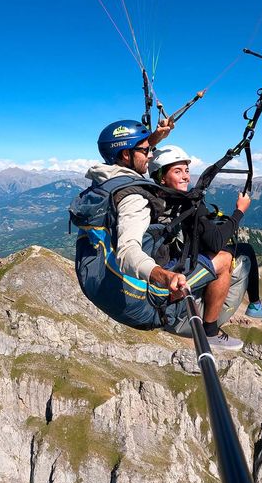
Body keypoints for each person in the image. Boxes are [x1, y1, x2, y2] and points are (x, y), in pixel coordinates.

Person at [83, 119, 242, 350]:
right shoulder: (132, 199)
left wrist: (156, 137)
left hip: (97, 279)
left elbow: (131, 160)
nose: (150, 154)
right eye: (146, 150)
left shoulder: (107, 177)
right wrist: (163, 276)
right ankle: (210, 331)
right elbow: (127, 253)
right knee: (225, 259)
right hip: (144, 294)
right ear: (126, 154)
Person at [149, 145, 262, 321]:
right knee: (232, 255)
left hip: (160, 266)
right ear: (162, 177)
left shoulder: (155, 198)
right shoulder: (189, 204)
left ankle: (255, 304)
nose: (186, 176)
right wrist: (239, 211)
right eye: (177, 171)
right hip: (172, 274)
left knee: (244, 248)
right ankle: (212, 329)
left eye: (187, 171)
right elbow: (216, 242)